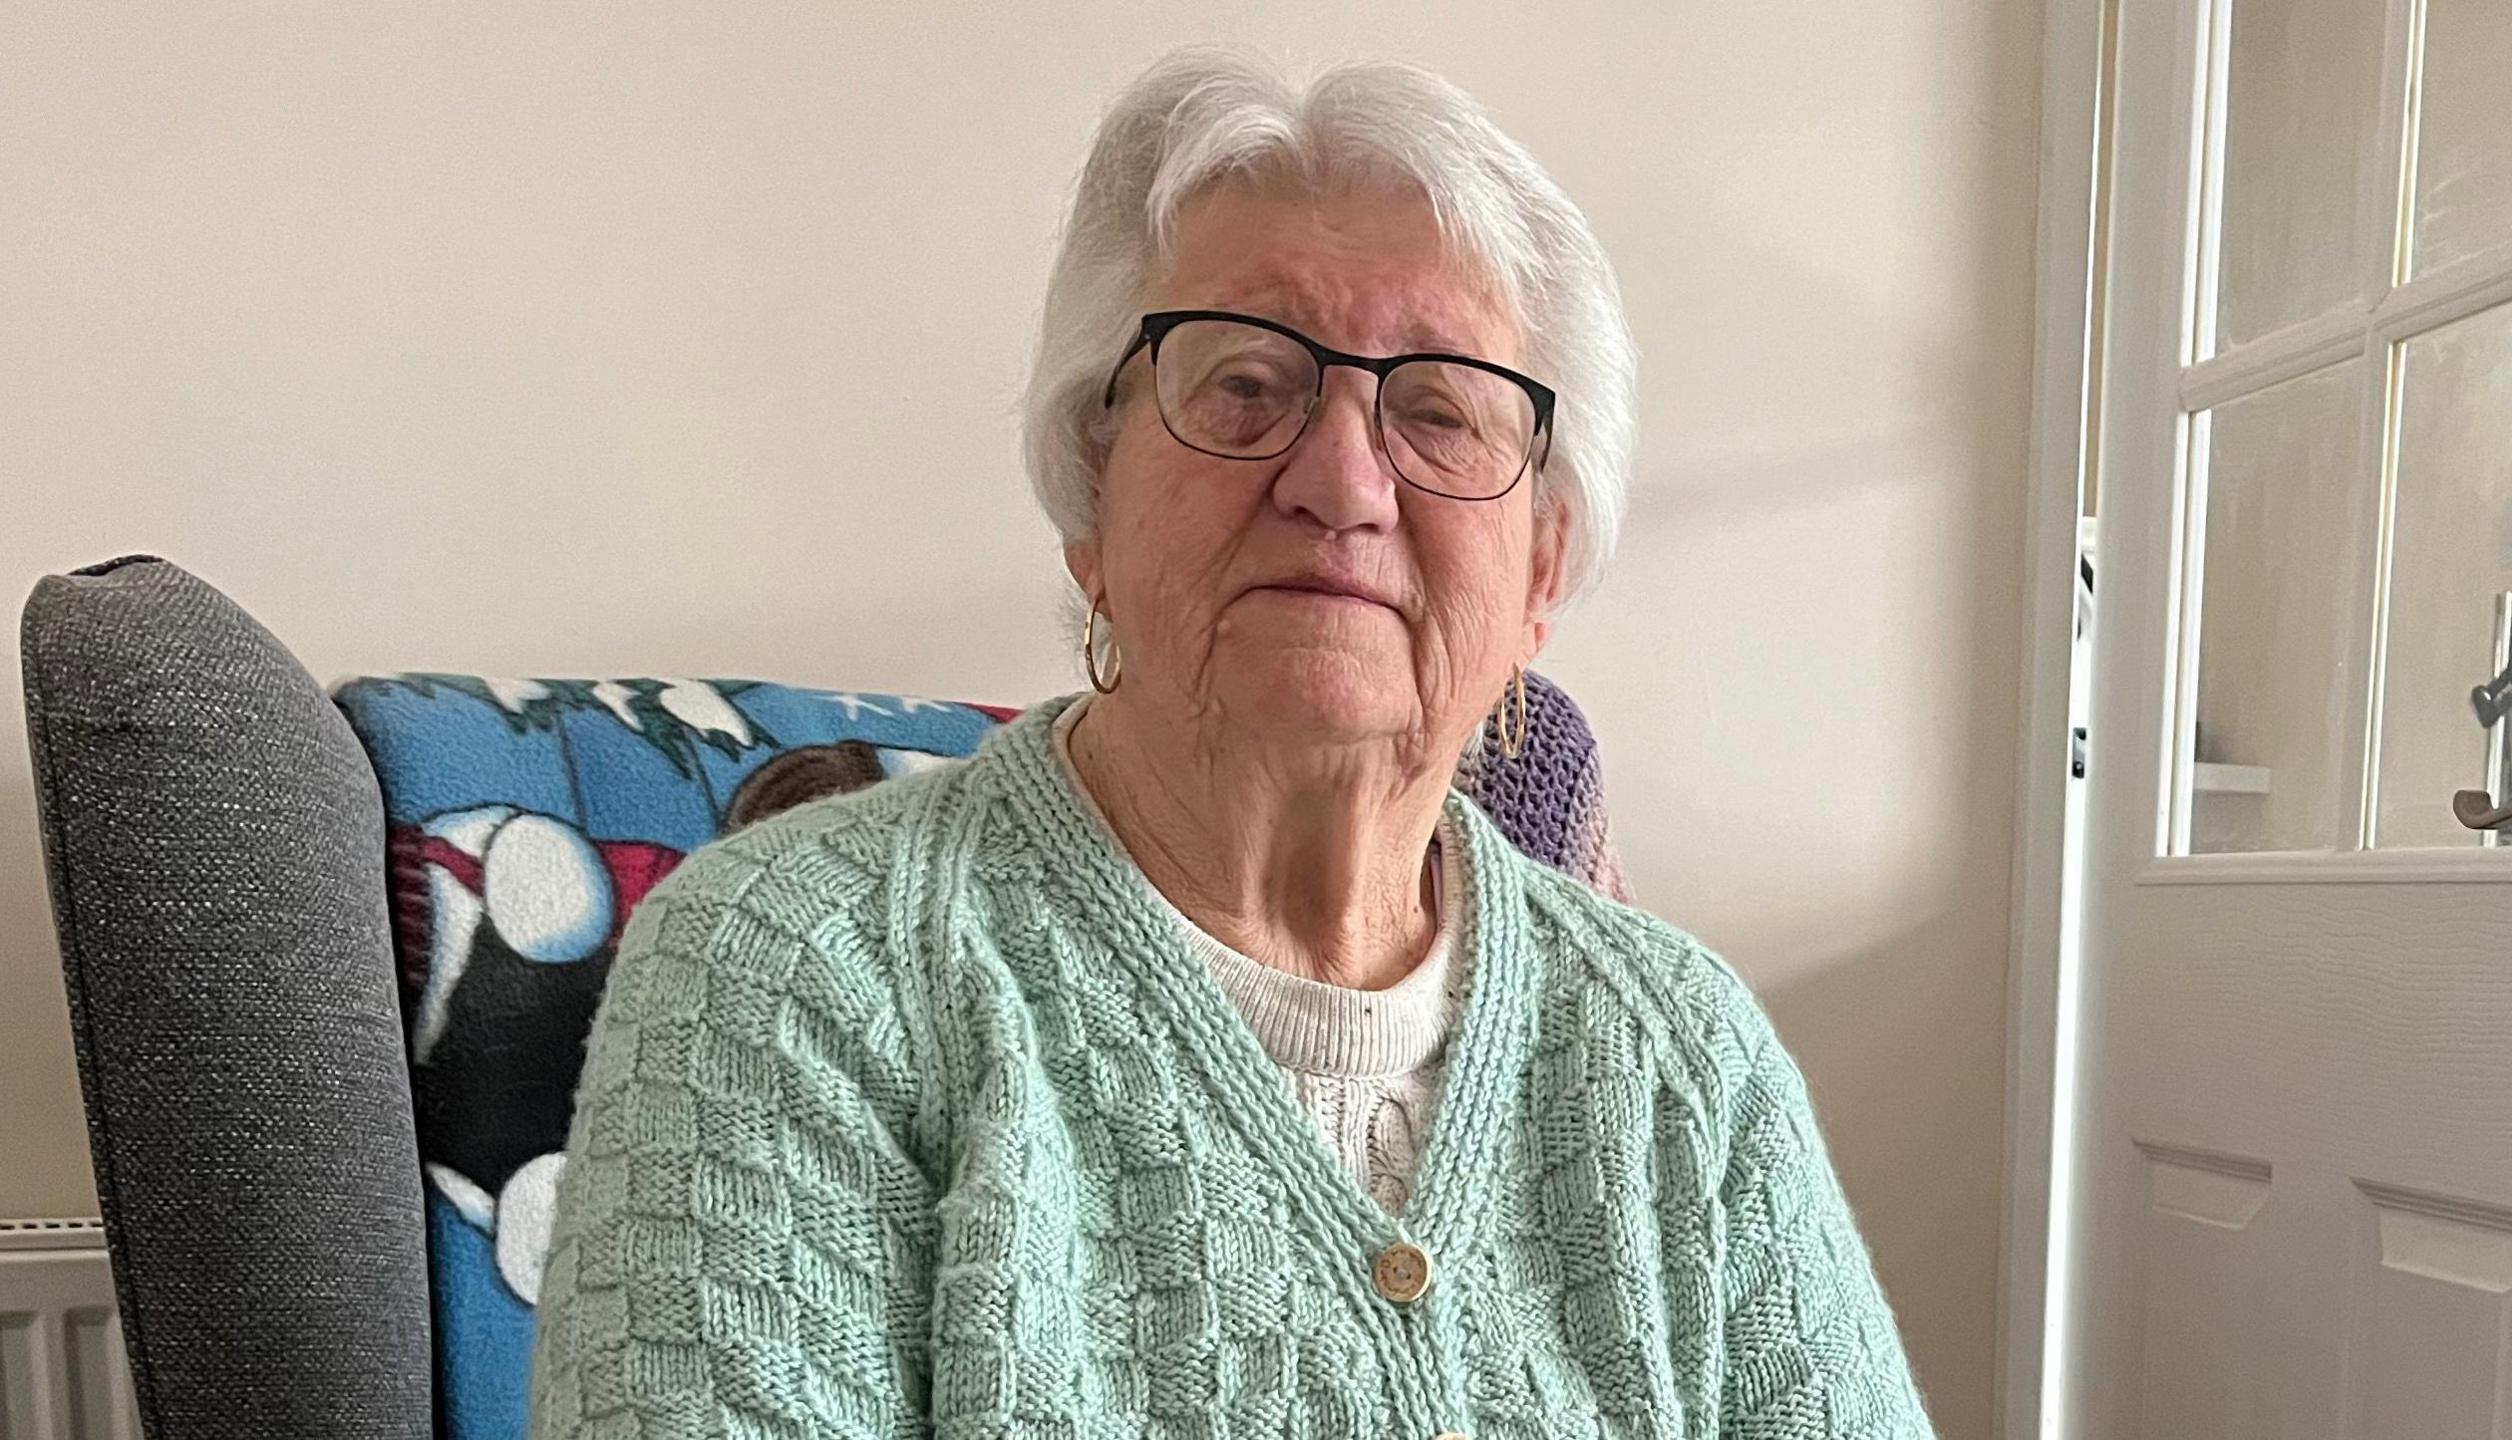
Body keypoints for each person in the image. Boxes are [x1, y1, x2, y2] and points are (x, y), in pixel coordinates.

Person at [530, 45, 1934, 1439]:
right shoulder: (790, 965)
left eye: (1440, 409)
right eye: (1247, 385)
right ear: (1092, 493)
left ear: (1543, 568)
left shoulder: (1687, 1054)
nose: (1341, 481)